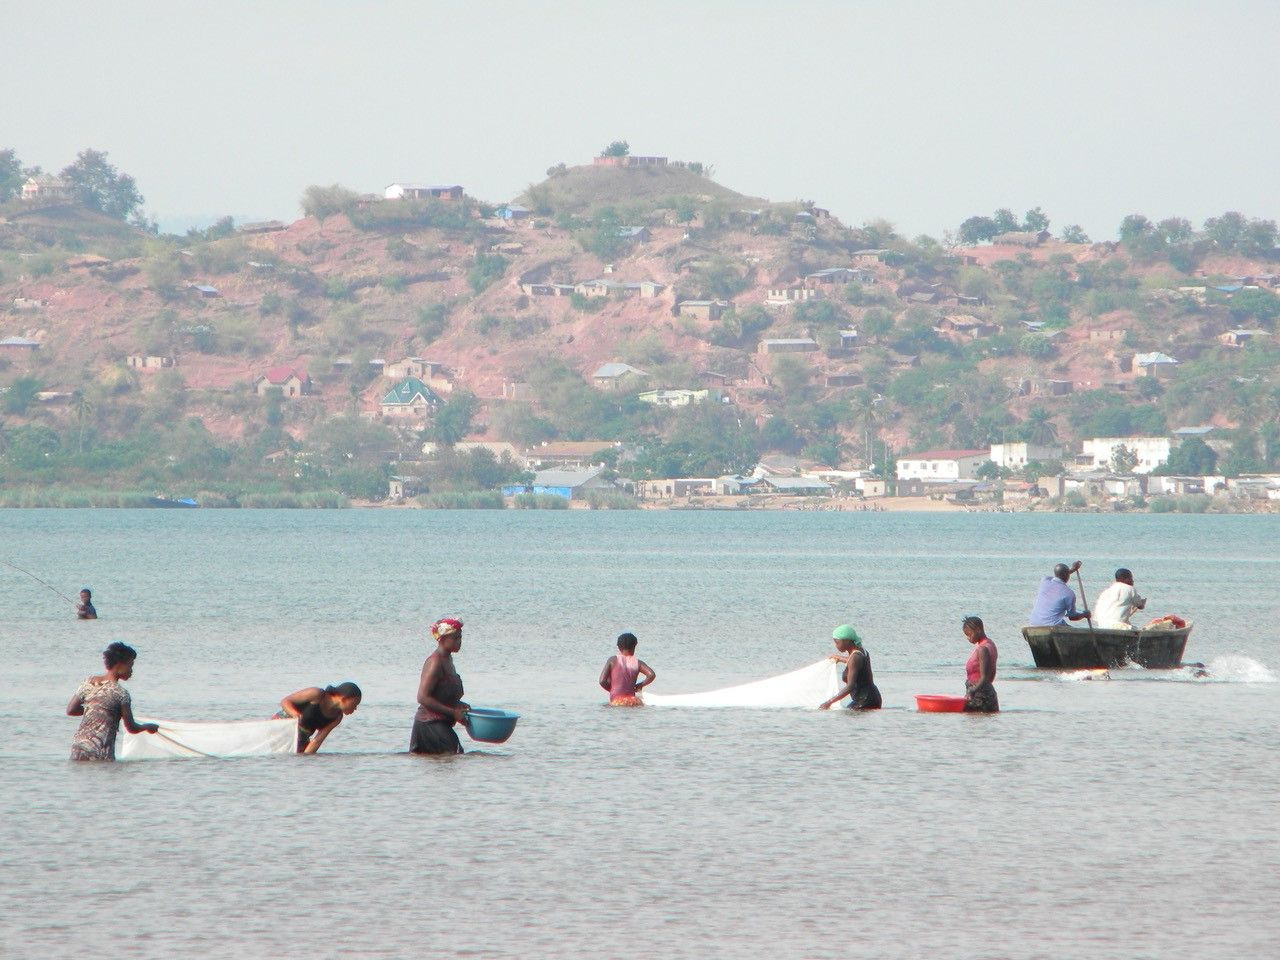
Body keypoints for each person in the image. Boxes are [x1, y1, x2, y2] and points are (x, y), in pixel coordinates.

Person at [66, 641, 159, 760]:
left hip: (78, 747)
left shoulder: (88, 683)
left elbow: (71, 710)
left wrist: (94, 709)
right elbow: (131, 728)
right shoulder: (121, 693)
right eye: (130, 666)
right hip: (100, 751)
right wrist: (147, 727)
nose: (131, 671)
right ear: (120, 665)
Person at [410, 617, 469, 755]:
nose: (459, 642)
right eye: (455, 638)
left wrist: (458, 705)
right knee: (455, 755)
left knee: (451, 760)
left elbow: (442, 694)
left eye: (460, 637)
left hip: (440, 722)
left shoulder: (448, 659)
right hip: (428, 724)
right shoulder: (435, 662)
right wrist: (453, 713)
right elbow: (423, 697)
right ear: (442, 639)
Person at [276, 682, 362, 754]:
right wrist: (295, 714)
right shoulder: (316, 694)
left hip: (300, 738)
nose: (355, 708)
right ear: (344, 699)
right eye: (355, 704)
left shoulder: (337, 717)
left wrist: (305, 759)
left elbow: (317, 741)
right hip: (281, 725)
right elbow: (285, 701)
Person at [820, 624, 882, 710]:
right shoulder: (861, 651)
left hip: (865, 700)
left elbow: (850, 686)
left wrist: (828, 702)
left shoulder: (855, 657)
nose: (836, 646)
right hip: (871, 698)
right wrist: (839, 658)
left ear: (846, 641)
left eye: (837, 642)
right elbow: (854, 662)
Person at [599, 632, 656, 706]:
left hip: (616, 701)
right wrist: (640, 685)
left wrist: (613, 689)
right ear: (634, 646)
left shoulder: (612, 660)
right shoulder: (638, 662)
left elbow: (602, 681)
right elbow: (651, 675)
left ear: (618, 647)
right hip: (632, 700)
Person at [1028, 561, 1090, 626]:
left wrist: (1072, 569)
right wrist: (1084, 614)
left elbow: (1060, 575)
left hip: (1034, 623)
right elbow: (1072, 617)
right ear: (1067, 575)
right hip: (1053, 626)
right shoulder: (1069, 593)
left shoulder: (1044, 581)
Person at [962, 615, 999, 712]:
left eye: (969, 634)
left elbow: (984, 678)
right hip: (984, 693)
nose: (968, 638)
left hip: (980, 696)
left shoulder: (983, 649)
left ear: (978, 630)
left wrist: (972, 690)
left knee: (974, 724)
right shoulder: (990, 644)